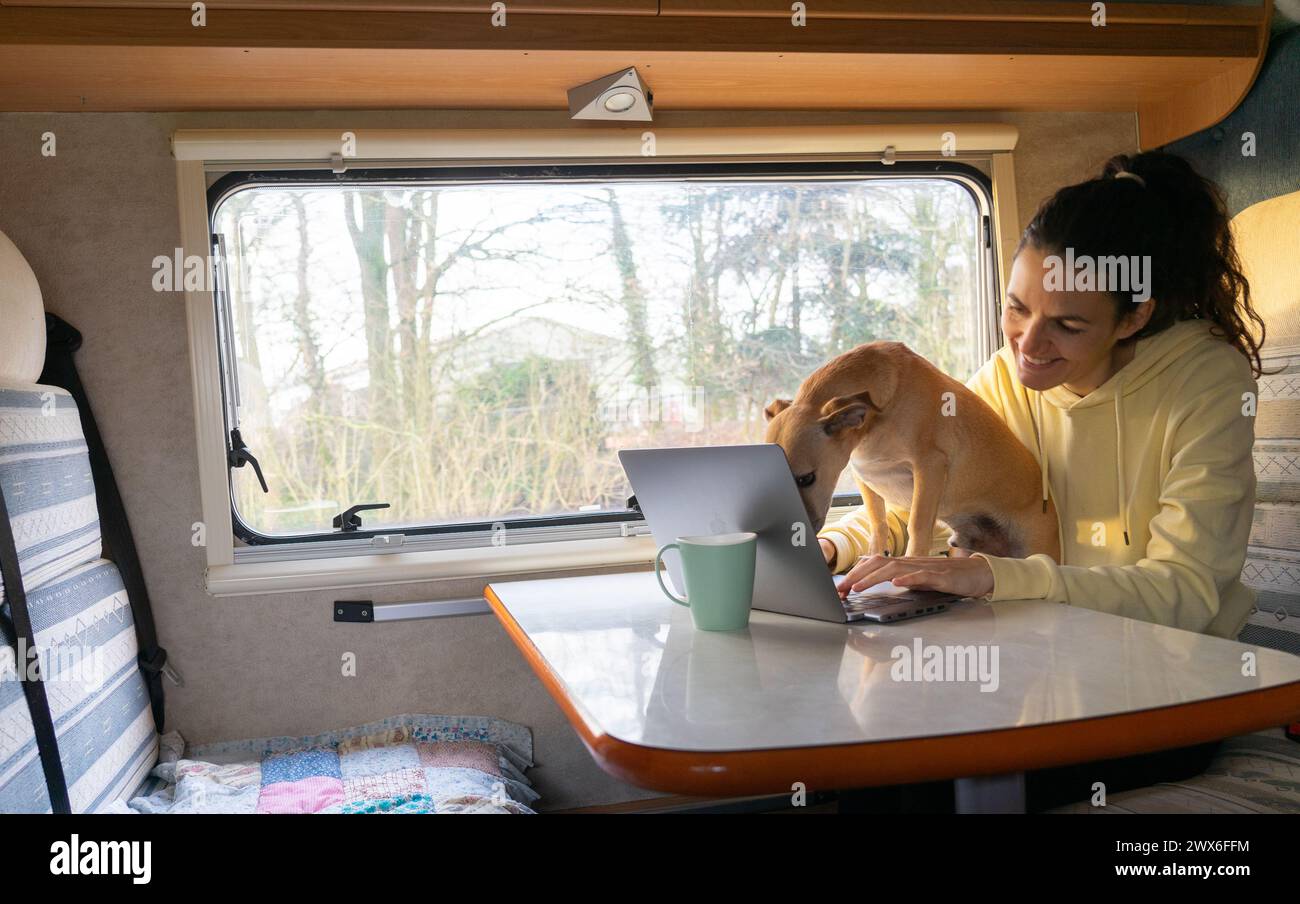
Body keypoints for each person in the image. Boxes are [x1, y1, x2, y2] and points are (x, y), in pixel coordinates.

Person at [818, 151, 1267, 811]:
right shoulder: (1010, 376)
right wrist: (838, 548)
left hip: (1170, 690)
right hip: (1040, 657)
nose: (1028, 343)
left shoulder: (1208, 384)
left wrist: (1001, 577)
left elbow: (1188, 594)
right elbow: (929, 480)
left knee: (920, 778)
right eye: (1017, 308)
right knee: (880, 758)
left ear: (1134, 317)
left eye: (1068, 324)